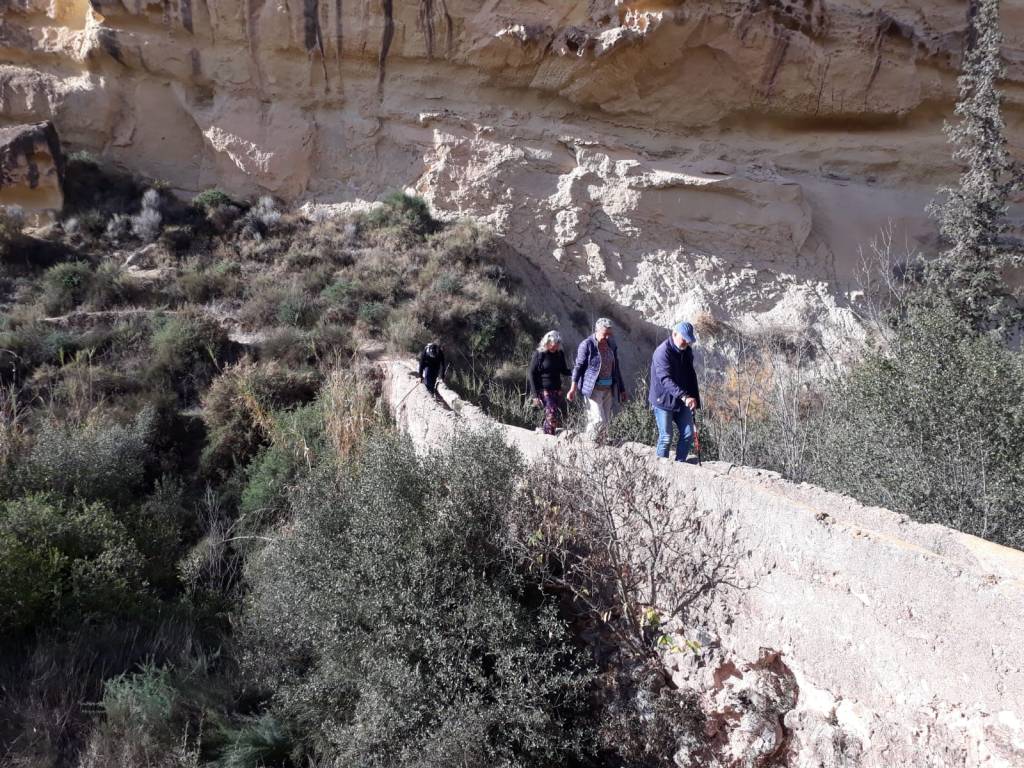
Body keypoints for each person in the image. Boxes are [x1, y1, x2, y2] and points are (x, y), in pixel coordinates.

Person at [567, 318, 628, 444]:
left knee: (605, 422)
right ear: (597, 331)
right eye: (605, 334)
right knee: (598, 420)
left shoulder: (611, 344)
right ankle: (590, 443)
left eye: (610, 334)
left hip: (608, 390)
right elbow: (578, 367)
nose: (607, 337)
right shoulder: (587, 345)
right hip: (593, 389)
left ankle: (598, 445)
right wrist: (572, 388)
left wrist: (622, 389)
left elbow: (616, 369)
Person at [648, 321, 701, 462]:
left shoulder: (687, 351)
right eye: (684, 339)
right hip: (663, 400)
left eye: (688, 340)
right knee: (666, 437)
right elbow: (665, 379)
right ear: (674, 334)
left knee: (688, 434)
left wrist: (693, 397)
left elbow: (690, 376)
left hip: (682, 400)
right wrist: (684, 396)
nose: (686, 342)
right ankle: (660, 469)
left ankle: (680, 464)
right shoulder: (662, 352)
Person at [528, 330, 572, 435]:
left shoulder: (560, 354)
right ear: (546, 343)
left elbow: (564, 370)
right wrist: (535, 395)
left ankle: (545, 434)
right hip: (544, 390)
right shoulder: (539, 354)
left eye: (556, 345)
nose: (554, 347)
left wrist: (575, 372)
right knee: (551, 413)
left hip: (557, 390)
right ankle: (550, 436)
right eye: (552, 344)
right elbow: (531, 373)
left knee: (552, 413)